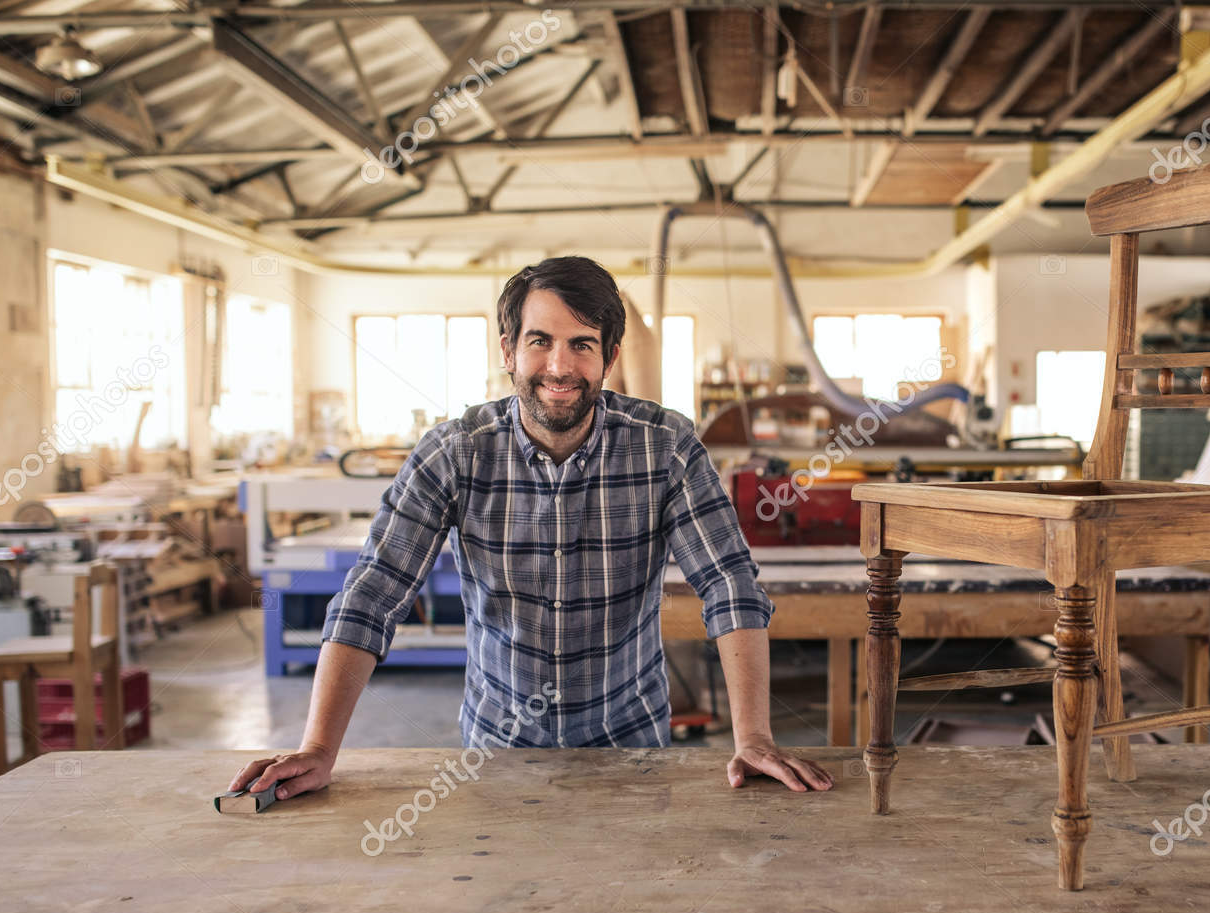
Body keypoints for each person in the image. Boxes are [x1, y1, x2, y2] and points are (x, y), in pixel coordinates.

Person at [230, 256, 832, 801]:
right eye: (540, 341)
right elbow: (374, 590)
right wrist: (319, 748)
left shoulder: (665, 447)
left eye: (582, 344)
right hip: (492, 755)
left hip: (633, 750)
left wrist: (753, 735)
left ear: (610, 356)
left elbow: (729, 584)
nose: (560, 366)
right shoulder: (455, 453)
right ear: (508, 350)